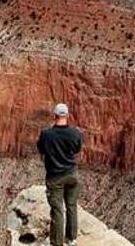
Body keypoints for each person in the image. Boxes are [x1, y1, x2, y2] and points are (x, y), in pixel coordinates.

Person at [36, 102, 84, 246]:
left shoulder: (46, 134)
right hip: (72, 174)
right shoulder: (75, 133)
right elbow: (77, 150)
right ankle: (71, 239)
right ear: (67, 116)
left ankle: (57, 243)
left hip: (55, 177)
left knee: (57, 210)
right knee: (71, 205)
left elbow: (41, 150)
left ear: (55, 115)